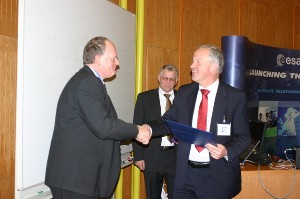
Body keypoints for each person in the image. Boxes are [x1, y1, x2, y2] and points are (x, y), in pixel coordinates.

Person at [45, 36, 151, 199]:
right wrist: (136, 130)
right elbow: (104, 126)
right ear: (97, 58)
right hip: (76, 181)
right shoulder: (86, 83)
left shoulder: (89, 81)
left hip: (80, 180)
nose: (117, 63)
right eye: (113, 58)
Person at [147, 45, 251, 199]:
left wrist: (226, 150)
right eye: (192, 61)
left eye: (197, 61)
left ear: (213, 66)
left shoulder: (235, 97)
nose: (191, 66)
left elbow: (244, 137)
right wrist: (148, 129)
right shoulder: (185, 92)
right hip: (185, 176)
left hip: (215, 177)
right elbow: (167, 121)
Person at [133, 64, 179, 199]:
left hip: (176, 156)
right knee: (153, 195)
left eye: (172, 79)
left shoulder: (183, 98)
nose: (168, 82)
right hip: (152, 156)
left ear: (176, 81)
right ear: (159, 78)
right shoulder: (144, 98)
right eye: (165, 78)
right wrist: (138, 156)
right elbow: (137, 127)